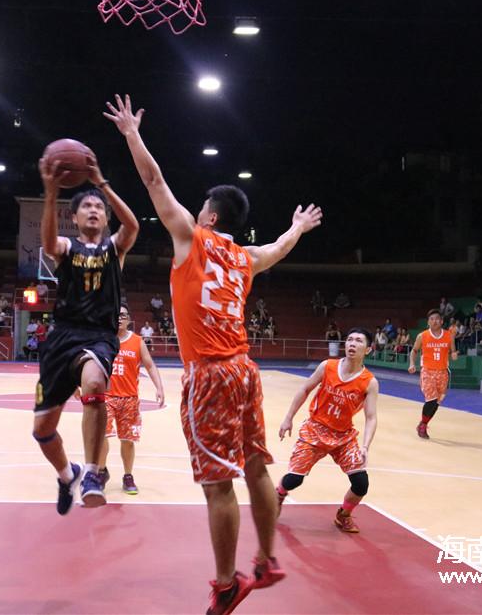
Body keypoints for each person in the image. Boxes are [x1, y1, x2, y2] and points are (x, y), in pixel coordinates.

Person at [105, 93, 322, 613]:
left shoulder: (192, 237)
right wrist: (297, 227)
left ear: (208, 212)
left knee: (218, 485)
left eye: (200, 206)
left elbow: (155, 184)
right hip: (247, 370)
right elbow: (275, 250)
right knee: (256, 468)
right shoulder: (243, 257)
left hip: (210, 374)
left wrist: (132, 133)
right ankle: (267, 560)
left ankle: (226, 584)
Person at [33, 144, 139, 516]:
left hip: (98, 336)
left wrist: (102, 184)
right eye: (87, 207)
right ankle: (67, 475)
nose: (94, 210)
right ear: (75, 218)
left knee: (95, 384)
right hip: (62, 336)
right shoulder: (66, 247)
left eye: (99, 208)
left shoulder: (115, 248)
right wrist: (50, 194)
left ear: (105, 218)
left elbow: (134, 226)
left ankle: (93, 473)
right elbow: (47, 243)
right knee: (43, 430)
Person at [276, 329, 380, 533]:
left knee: (361, 483)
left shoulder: (370, 382)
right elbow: (305, 389)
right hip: (315, 429)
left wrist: (366, 446)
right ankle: (278, 494)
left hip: (343, 436)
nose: (352, 343)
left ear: (368, 349)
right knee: (294, 479)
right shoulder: (328, 366)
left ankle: (344, 515)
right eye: (349, 339)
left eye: (359, 341)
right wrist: (288, 418)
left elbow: (371, 417)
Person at [96, 305, 165, 494]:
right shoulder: (103, 339)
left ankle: (128, 476)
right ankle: (101, 472)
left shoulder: (137, 341)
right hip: (106, 396)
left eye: (123, 315)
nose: (119, 318)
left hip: (129, 398)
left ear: (129, 320)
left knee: (127, 440)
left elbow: (150, 365)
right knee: (102, 435)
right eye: (115, 315)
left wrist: (159, 387)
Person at [409, 309, 458, 439]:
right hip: (427, 371)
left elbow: (453, 351)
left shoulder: (449, 335)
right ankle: (423, 425)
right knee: (431, 399)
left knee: (437, 402)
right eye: (432, 319)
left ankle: (423, 423)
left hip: (443, 372)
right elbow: (414, 351)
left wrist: (454, 354)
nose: (434, 321)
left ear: (442, 321)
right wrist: (412, 364)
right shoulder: (422, 336)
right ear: (428, 322)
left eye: (437, 319)